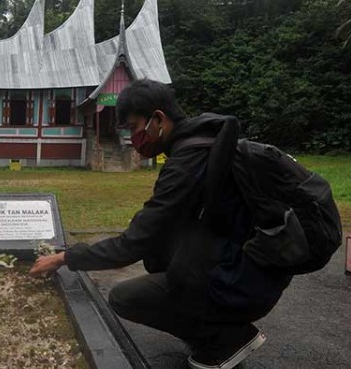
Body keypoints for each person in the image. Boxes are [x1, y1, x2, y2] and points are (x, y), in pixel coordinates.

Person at [29, 79, 292, 369]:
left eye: (133, 127)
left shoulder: (188, 160)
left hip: (246, 281)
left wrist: (65, 257)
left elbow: (134, 243)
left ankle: (226, 339)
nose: (133, 138)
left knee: (125, 297)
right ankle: (218, 327)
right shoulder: (201, 147)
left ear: (158, 119)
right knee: (158, 257)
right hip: (254, 270)